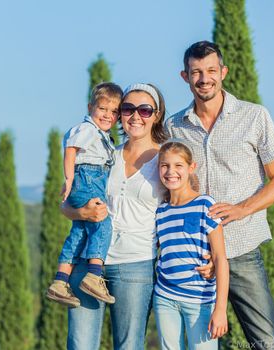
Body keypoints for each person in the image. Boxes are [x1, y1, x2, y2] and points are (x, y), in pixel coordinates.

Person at [61, 83, 213, 349]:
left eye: (144, 110)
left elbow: (189, 207)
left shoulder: (167, 160)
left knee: (129, 345)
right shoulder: (106, 152)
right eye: (128, 109)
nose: (135, 116)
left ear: (156, 115)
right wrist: (81, 212)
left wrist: (208, 250)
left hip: (135, 266)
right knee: (80, 344)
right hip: (88, 261)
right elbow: (65, 203)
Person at [166, 41, 274, 350]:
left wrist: (242, 209)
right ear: (185, 77)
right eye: (196, 72)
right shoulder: (174, 126)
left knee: (266, 343)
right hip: (197, 257)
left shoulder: (255, 116)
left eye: (210, 70)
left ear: (223, 72)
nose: (204, 79)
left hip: (242, 248)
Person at [46, 82, 122, 307]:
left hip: (89, 179)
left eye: (113, 111)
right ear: (91, 108)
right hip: (88, 179)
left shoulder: (101, 134)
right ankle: (94, 275)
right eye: (102, 109)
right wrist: (68, 179)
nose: (108, 115)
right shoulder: (86, 129)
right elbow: (70, 149)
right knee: (102, 221)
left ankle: (60, 281)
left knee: (79, 231)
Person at [153, 139, 229, 350]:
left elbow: (220, 259)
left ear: (191, 167)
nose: (171, 171)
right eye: (165, 165)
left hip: (200, 301)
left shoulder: (205, 205)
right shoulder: (161, 211)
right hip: (165, 298)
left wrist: (220, 309)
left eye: (178, 165)